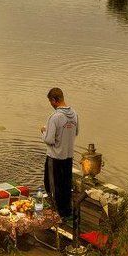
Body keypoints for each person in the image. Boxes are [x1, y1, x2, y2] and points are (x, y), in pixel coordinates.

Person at [40, 87, 78, 221]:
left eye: (51, 101)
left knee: (51, 185)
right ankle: (66, 211)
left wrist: (43, 131)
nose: (51, 104)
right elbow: (76, 132)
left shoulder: (55, 117)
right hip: (68, 156)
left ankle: (57, 214)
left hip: (55, 157)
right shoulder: (74, 114)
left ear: (54, 100)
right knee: (66, 185)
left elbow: (49, 140)